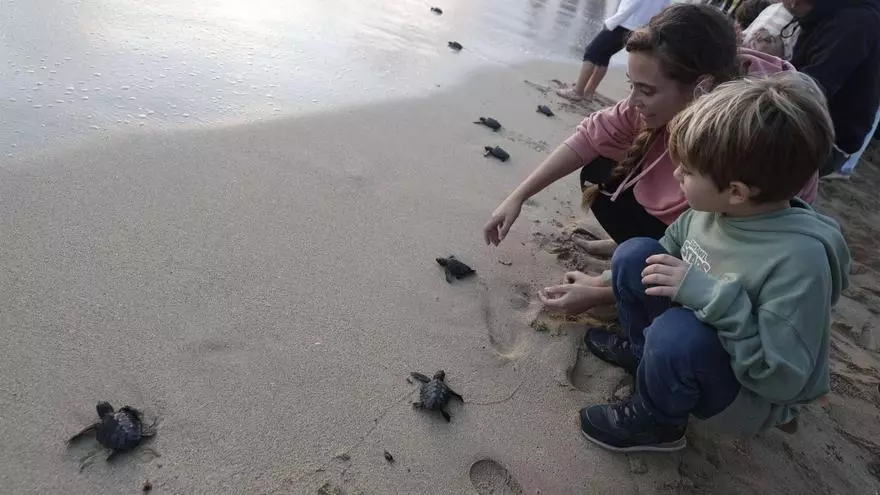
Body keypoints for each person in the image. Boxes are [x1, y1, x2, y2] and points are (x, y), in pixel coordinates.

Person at [574, 72, 851, 452]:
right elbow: (665, 253)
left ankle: (658, 423)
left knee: (675, 332)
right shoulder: (712, 210)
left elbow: (781, 378)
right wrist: (596, 287)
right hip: (695, 341)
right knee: (634, 255)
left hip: (741, 390)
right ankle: (643, 355)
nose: (675, 174)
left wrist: (710, 296)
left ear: (736, 191)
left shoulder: (800, 264)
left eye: (687, 171)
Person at [485, 4, 819, 303]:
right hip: (692, 226)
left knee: (659, 293)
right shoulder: (678, 95)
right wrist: (518, 196)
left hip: (731, 255)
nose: (632, 102)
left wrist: (600, 292)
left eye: (646, 90)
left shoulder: (746, 139)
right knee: (598, 172)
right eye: (632, 84)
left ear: (701, 87)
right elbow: (590, 134)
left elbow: (713, 257)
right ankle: (629, 251)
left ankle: (632, 267)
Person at [783, 0, 880, 177]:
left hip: (826, 138)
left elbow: (812, 86)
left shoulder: (857, 22)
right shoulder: (826, 13)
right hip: (803, 116)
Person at [556, 0, 670, 102]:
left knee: (591, 52)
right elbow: (662, 12)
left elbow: (631, 5)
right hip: (637, 29)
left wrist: (612, 22)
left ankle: (577, 91)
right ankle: (589, 92)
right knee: (604, 56)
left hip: (623, 24)